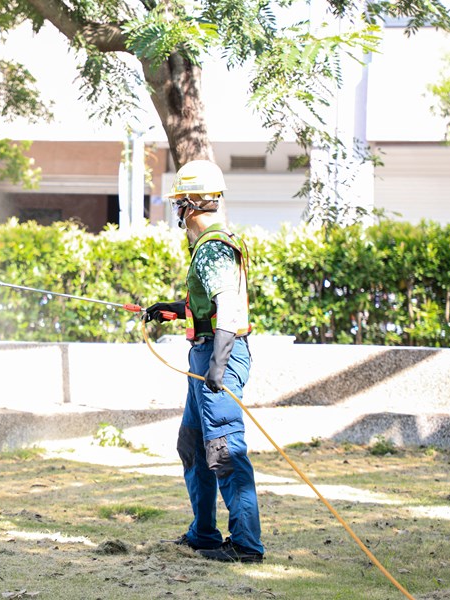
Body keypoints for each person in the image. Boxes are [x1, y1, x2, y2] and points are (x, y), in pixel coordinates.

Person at [144, 159, 264, 563]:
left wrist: (217, 365)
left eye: (179, 203)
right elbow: (210, 305)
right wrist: (172, 309)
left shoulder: (212, 247)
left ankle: (246, 546)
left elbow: (228, 308)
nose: (177, 210)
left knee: (224, 450)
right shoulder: (210, 245)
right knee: (193, 445)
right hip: (208, 353)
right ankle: (205, 534)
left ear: (192, 204)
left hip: (218, 356)